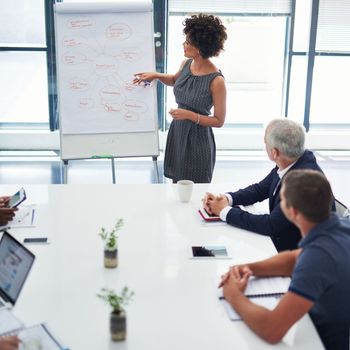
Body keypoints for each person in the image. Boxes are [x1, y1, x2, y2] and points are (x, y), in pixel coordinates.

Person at [220, 170, 350, 350]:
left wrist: (233, 294)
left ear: (292, 212)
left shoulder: (317, 259)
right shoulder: (340, 226)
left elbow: (271, 329)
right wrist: (247, 268)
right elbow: (294, 259)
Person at [203, 119, 332, 251]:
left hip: (297, 252)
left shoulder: (303, 183)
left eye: (265, 143)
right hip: (283, 241)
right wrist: (227, 199)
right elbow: (260, 189)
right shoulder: (292, 160)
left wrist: (224, 211)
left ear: (274, 152)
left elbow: (271, 225)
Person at [134, 14, 227, 183]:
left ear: (199, 47)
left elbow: (219, 120)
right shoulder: (186, 64)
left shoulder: (217, 80)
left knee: (195, 188)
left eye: (188, 41)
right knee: (177, 185)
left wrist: (189, 116)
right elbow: (175, 81)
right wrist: (155, 75)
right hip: (178, 134)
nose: (183, 44)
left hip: (198, 141)